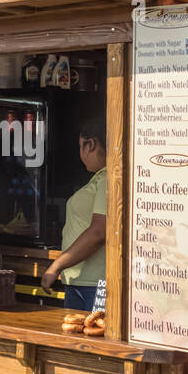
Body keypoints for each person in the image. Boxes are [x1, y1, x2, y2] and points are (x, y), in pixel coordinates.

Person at [41, 117, 107, 311]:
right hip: (80, 282)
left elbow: (99, 232)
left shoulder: (109, 178)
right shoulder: (98, 179)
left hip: (96, 284)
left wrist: (57, 265)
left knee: (90, 340)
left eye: (81, 146)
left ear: (91, 144)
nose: (81, 154)